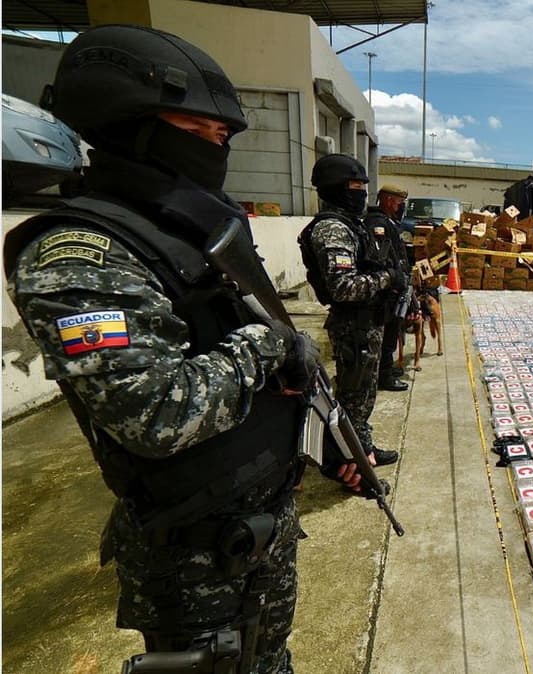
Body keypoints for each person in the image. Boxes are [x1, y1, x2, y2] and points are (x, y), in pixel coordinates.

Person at [2, 25, 363, 673]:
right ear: (127, 127)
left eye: (221, 137)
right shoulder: (80, 254)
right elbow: (157, 415)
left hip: (260, 513)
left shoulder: (192, 225)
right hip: (195, 548)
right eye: (197, 133)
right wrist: (268, 346)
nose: (216, 150)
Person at [298, 154, 402, 467]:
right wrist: (387, 279)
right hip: (353, 326)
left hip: (366, 323)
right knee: (353, 399)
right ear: (336, 188)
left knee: (362, 398)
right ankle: (352, 464)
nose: (361, 193)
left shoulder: (350, 225)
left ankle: (361, 448)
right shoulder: (332, 229)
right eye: (355, 186)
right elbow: (343, 287)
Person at [364, 184, 410, 392]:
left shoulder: (390, 221)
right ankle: (384, 377)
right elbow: (380, 258)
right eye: (400, 203)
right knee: (387, 334)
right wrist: (393, 278)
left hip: (395, 286)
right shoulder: (377, 223)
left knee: (393, 331)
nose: (401, 207)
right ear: (389, 201)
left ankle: (387, 369)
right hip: (385, 289)